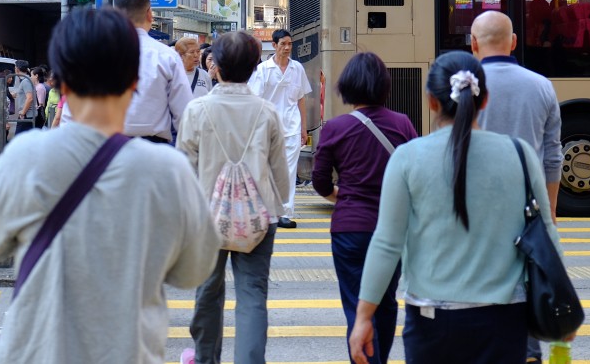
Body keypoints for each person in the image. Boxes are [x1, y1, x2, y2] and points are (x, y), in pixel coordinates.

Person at [0, 7, 220, 363]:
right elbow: (194, 268)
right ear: (134, 81)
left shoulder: (24, 158)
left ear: (61, 83)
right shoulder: (168, 171)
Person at [349, 51, 566, 363]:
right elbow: (546, 233)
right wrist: (561, 305)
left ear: (431, 101)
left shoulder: (407, 158)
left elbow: (387, 243)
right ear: (485, 99)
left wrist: (363, 316)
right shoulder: (521, 155)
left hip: (432, 321)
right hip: (506, 320)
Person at [176, 31, 290, 364]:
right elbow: (280, 176)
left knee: (207, 292)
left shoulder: (197, 110)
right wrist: (276, 204)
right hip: (259, 218)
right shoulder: (267, 112)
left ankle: (205, 358)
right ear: (254, 67)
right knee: (252, 295)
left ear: (216, 66)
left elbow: (184, 171)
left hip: (206, 218)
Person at [311, 52, 417, 364]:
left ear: (347, 86)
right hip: (392, 229)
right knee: (385, 301)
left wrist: (342, 197)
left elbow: (319, 181)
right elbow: (416, 173)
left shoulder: (335, 128)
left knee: (357, 306)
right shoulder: (402, 123)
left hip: (350, 230)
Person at [471, 10, 564, 363]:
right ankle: (527, 353)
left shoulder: (465, 86)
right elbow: (553, 155)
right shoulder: (541, 86)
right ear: (512, 42)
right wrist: (550, 212)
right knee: (525, 285)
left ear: (473, 44)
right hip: (528, 208)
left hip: (476, 207)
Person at [64, 0, 192, 144]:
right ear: (149, 14)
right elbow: (184, 114)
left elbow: (71, 112)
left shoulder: (93, 53)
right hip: (151, 149)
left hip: (103, 147)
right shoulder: (167, 57)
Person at [248, 29, 312, 228]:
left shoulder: (297, 68)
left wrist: (304, 128)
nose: (287, 48)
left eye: (289, 44)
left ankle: (285, 212)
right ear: (274, 45)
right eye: (283, 44)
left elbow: (301, 99)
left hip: (292, 127)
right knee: (266, 169)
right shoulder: (263, 70)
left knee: (289, 171)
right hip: (268, 128)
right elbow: (255, 101)